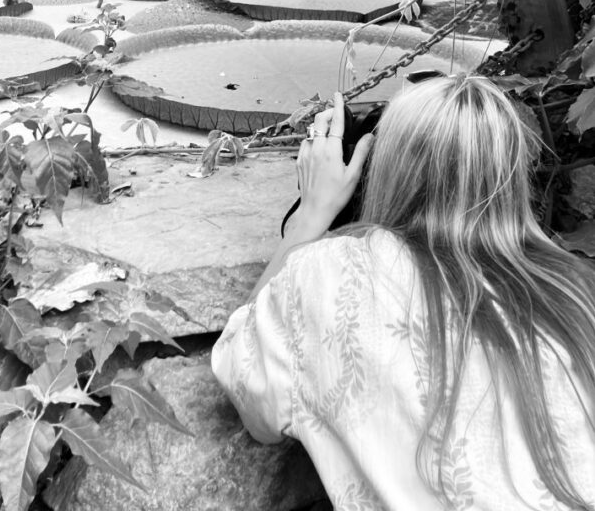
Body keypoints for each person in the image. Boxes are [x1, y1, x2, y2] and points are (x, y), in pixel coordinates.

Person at [211, 76, 595, 510]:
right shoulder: (577, 291)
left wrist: (312, 215)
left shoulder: (333, 273)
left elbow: (243, 378)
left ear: (383, 167)